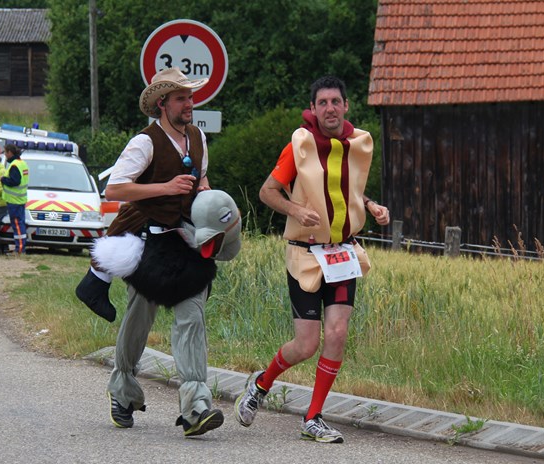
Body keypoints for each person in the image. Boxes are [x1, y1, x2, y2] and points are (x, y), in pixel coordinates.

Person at [234, 76, 391, 443]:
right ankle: (260, 384)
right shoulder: (300, 145)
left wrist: (371, 205)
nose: (330, 109)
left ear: (346, 106)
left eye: (336, 101)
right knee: (305, 344)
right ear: (314, 109)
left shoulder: (355, 143)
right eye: (323, 103)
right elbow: (267, 191)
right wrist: (295, 210)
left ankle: (313, 417)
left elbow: (348, 188)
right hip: (305, 255)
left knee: (337, 333)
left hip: (341, 253)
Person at [78, 67, 228, 437]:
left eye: (190, 97)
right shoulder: (144, 142)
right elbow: (115, 190)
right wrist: (164, 187)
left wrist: (210, 200)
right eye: (181, 98)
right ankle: (123, 390)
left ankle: (196, 406)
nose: (189, 104)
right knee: (138, 320)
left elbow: (201, 178)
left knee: (191, 319)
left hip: (186, 244)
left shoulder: (197, 137)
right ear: (163, 104)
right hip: (148, 244)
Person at [1, 144, 28, 254]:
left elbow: (15, 181)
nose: (5, 155)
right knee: (20, 224)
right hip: (20, 199)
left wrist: (3, 179)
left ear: (10, 153)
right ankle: (20, 247)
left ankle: (20, 249)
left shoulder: (14, 165)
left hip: (14, 200)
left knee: (17, 224)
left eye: (5, 152)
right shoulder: (22, 163)